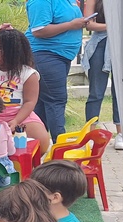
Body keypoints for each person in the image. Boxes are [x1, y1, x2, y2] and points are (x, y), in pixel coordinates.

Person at [25, 0, 87, 143]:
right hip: (45, 54)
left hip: (61, 56)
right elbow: (39, 30)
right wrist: (71, 25)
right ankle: (60, 146)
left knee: (42, 104)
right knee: (56, 101)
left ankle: (35, 146)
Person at [82, 0, 123, 151]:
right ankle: (91, 134)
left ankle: (121, 134)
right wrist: (113, 27)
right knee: (95, 92)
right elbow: (89, 24)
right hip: (100, 43)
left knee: (121, 92)